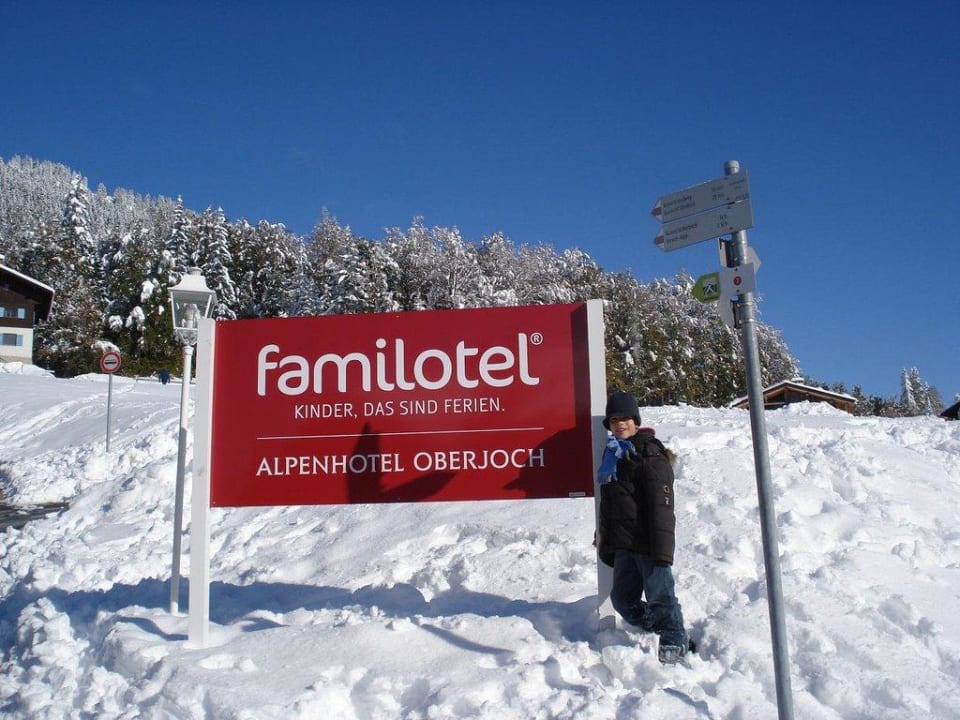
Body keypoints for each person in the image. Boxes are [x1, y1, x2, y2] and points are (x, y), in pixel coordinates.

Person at [595, 390, 693, 664]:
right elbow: (611, 502)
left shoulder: (649, 453)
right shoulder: (612, 454)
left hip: (649, 542)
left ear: (635, 420)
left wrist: (662, 549)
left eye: (625, 417)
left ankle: (674, 636)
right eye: (614, 419)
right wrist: (603, 535)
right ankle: (656, 624)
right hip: (625, 543)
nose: (620, 423)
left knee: (660, 594)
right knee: (623, 599)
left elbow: (662, 505)